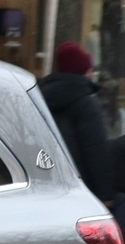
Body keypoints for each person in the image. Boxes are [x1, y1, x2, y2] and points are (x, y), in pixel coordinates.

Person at [38, 41, 114, 205]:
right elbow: (95, 150)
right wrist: (106, 194)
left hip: (46, 182)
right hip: (80, 187)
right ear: (84, 72)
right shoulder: (86, 103)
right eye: (90, 69)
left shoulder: (39, 97)